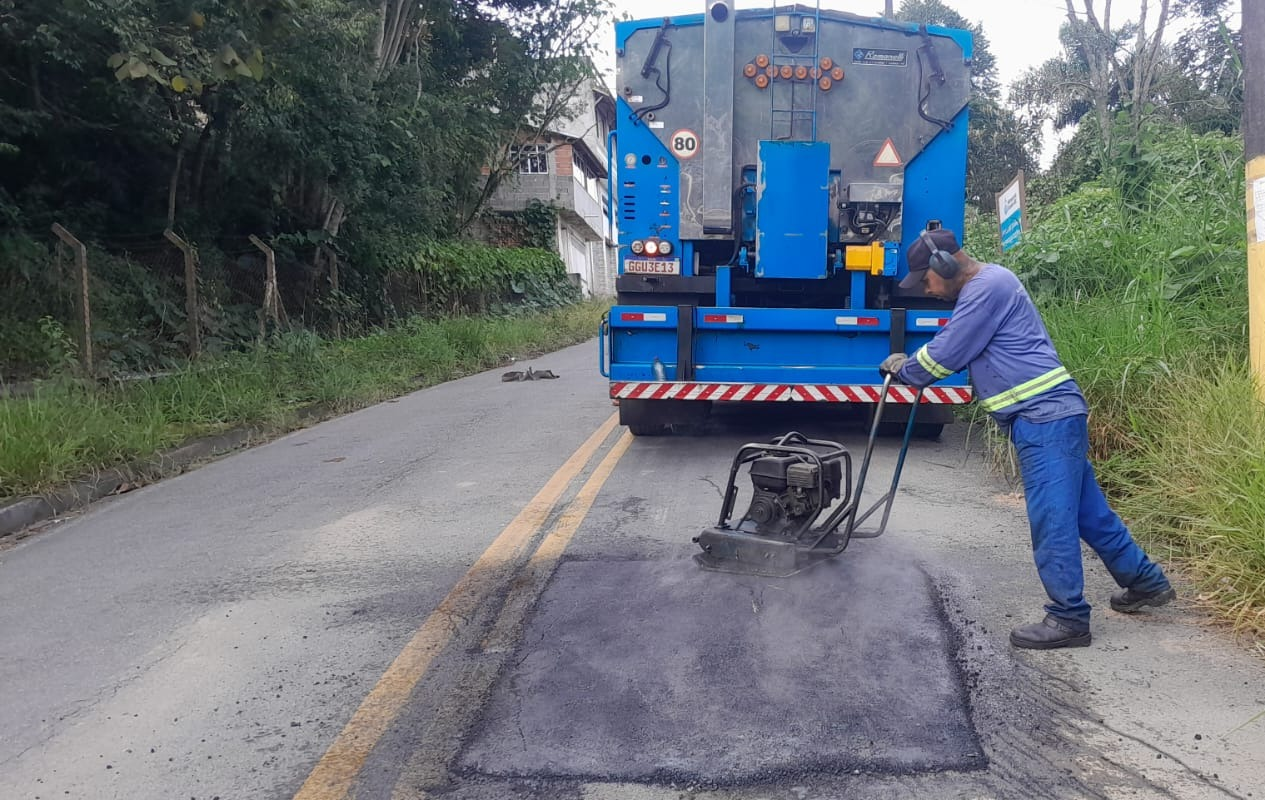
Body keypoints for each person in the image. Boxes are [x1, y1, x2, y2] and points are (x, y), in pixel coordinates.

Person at [879, 227, 1176, 650]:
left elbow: (946, 354)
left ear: (943, 266)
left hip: (1044, 418)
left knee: (1051, 517)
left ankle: (1069, 618)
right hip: (1051, 415)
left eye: (925, 279)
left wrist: (904, 368)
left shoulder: (986, 287)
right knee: (1087, 512)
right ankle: (1146, 582)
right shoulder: (989, 286)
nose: (926, 290)